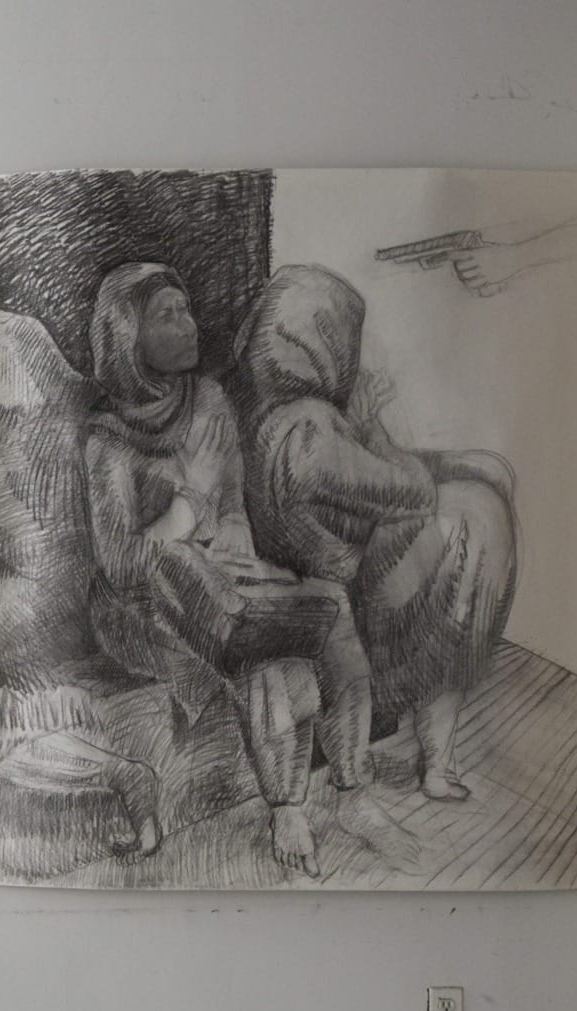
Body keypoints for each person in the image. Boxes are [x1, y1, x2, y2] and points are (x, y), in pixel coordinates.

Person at [80, 262, 405, 877]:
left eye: (188, 309)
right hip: (141, 604)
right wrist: (191, 502)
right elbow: (122, 565)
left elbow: (232, 510)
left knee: (329, 612)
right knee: (264, 649)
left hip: (217, 575)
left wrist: (233, 550)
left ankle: (354, 783)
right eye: (167, 315)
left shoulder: (209, 399)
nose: (190, 324)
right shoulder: (106, 438)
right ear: (126, 334)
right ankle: (287, 808)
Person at [235, 264, 518, 803]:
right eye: (342, 335)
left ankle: (437, 754)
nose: (351, 353)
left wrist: (457, 462)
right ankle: (437, 756)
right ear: (319, 340)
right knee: (477, 527)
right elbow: (409, 491)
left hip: (360, 580)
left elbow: (386, 481)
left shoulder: (283, 416)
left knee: (481, 492)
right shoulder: (310, 432)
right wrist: (371, 425)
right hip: (354, 607)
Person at [0, 309, 161, 871]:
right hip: (48, 609)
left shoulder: (19, 443)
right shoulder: (72, 424)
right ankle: (120, 776)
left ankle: (121, 774)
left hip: (27, 614)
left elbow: (30, 550)